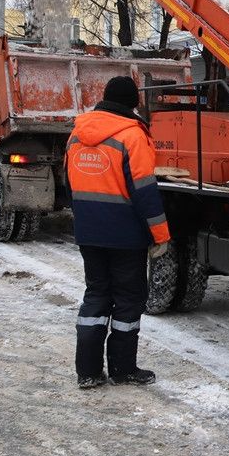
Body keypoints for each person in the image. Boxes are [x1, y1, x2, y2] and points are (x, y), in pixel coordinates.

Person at [66, 76, 171, 390]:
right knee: (127, 302)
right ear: (133, 103)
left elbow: (69, 183)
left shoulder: (76, 135)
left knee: (95, 297)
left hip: (88, 232)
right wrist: (161, 235)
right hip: (125, 236)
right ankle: (123, 370)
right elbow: (144, 191)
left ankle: (88, 372)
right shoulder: (132, 136)